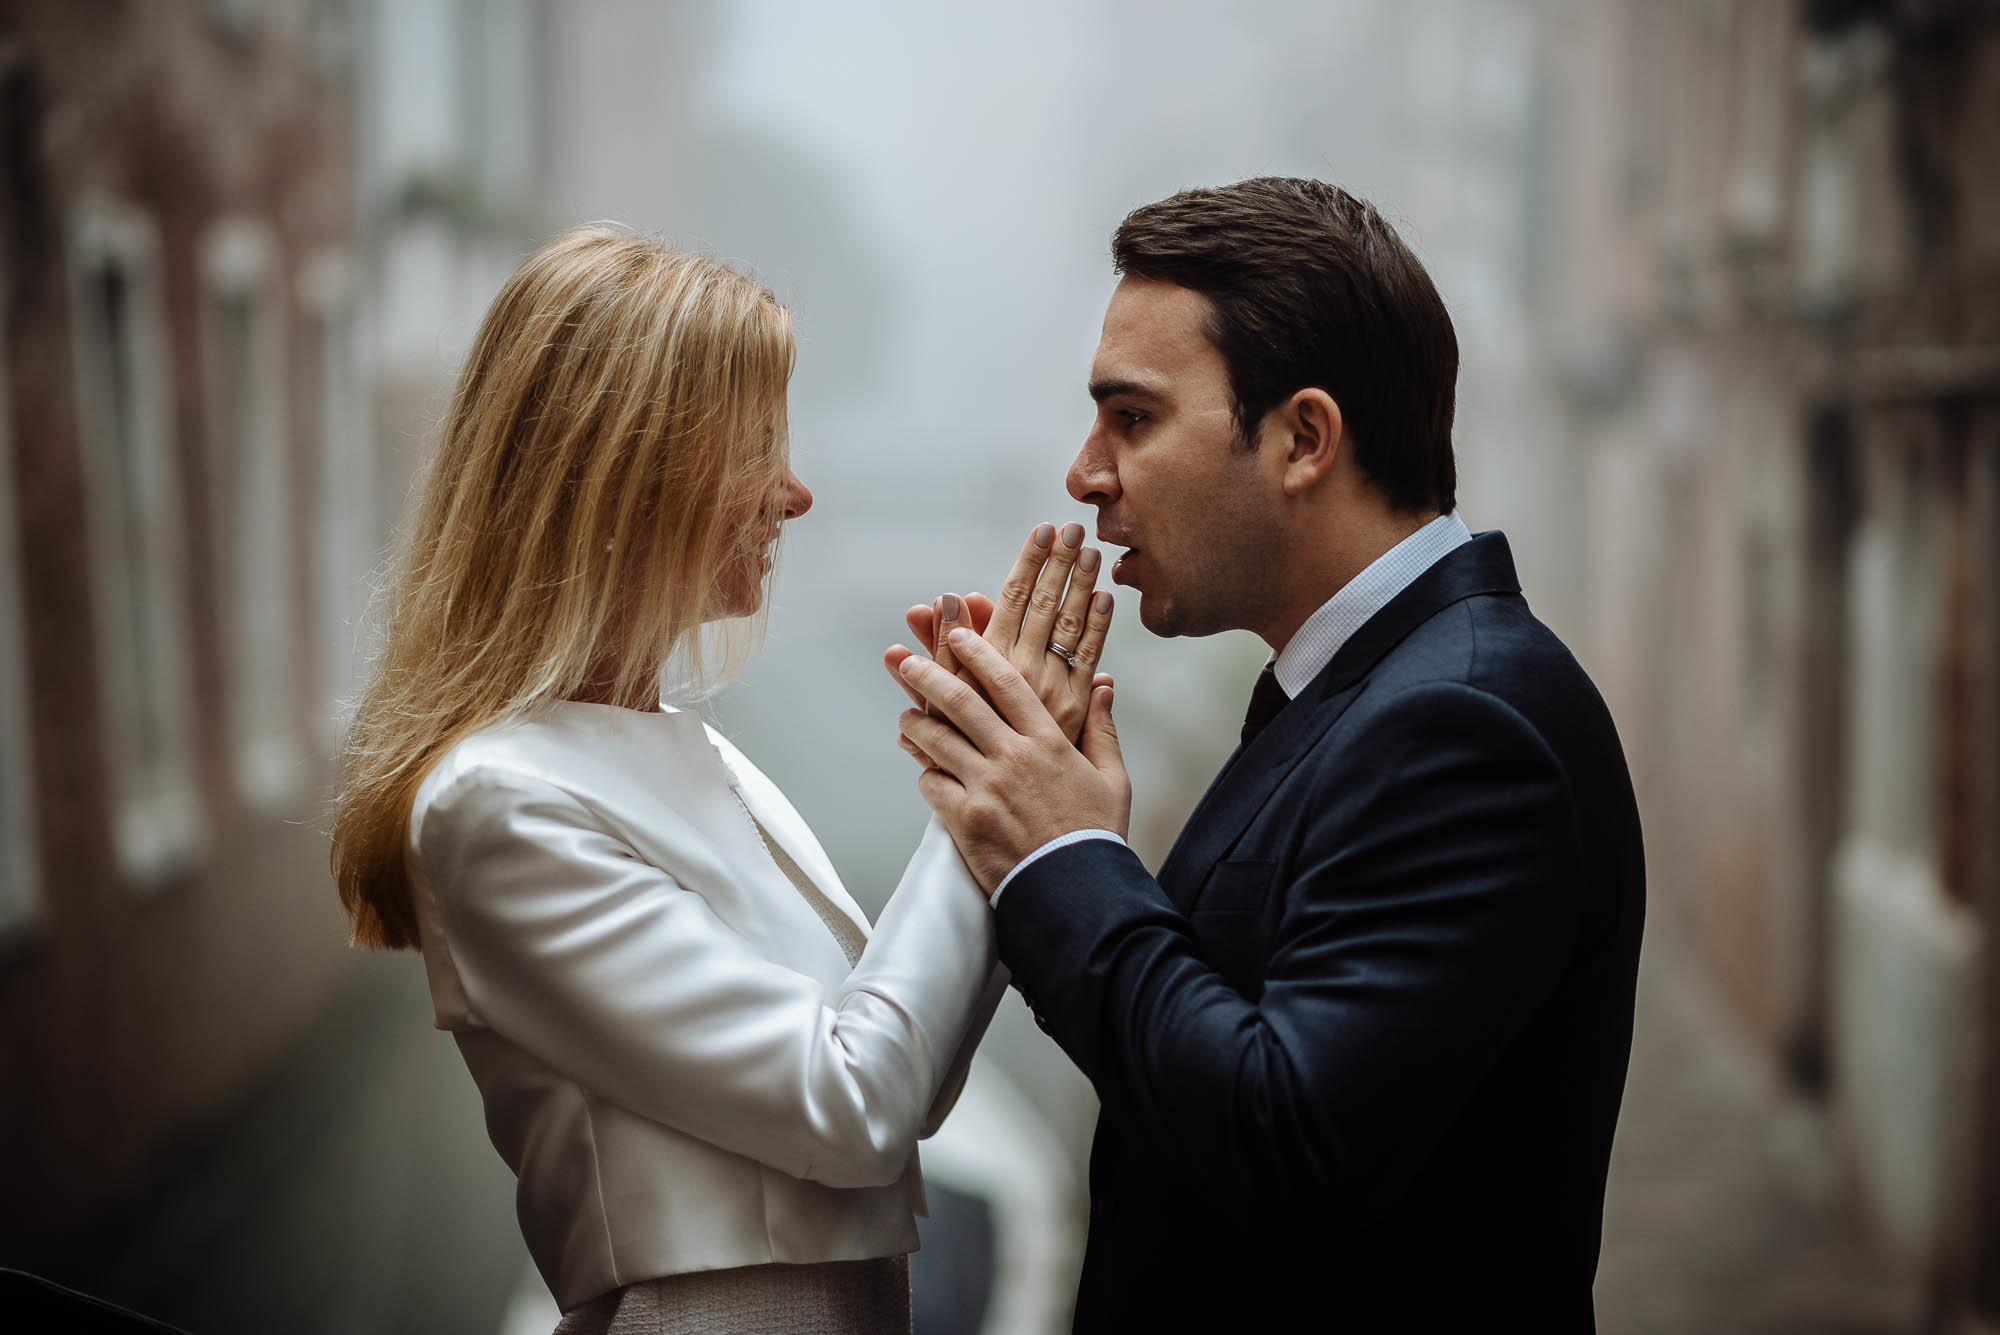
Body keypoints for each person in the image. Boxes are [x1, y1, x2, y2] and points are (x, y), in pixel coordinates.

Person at [327, 225, 1115, 1334]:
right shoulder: (497, 804)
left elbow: (909, 1086)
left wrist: (1001, 797)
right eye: (757, 446)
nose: (795, 496)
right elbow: (856, 1107)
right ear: (628, 472)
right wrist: (989, 800)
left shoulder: (696, 753)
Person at [891, 178, 1647, 1331]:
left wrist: (1064, 856)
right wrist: (1078, 846)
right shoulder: (1362, 692)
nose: (1084, 473)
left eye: (1130, 418)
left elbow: (1281, 1136)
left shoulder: (1466, 723)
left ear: (1301, 439)